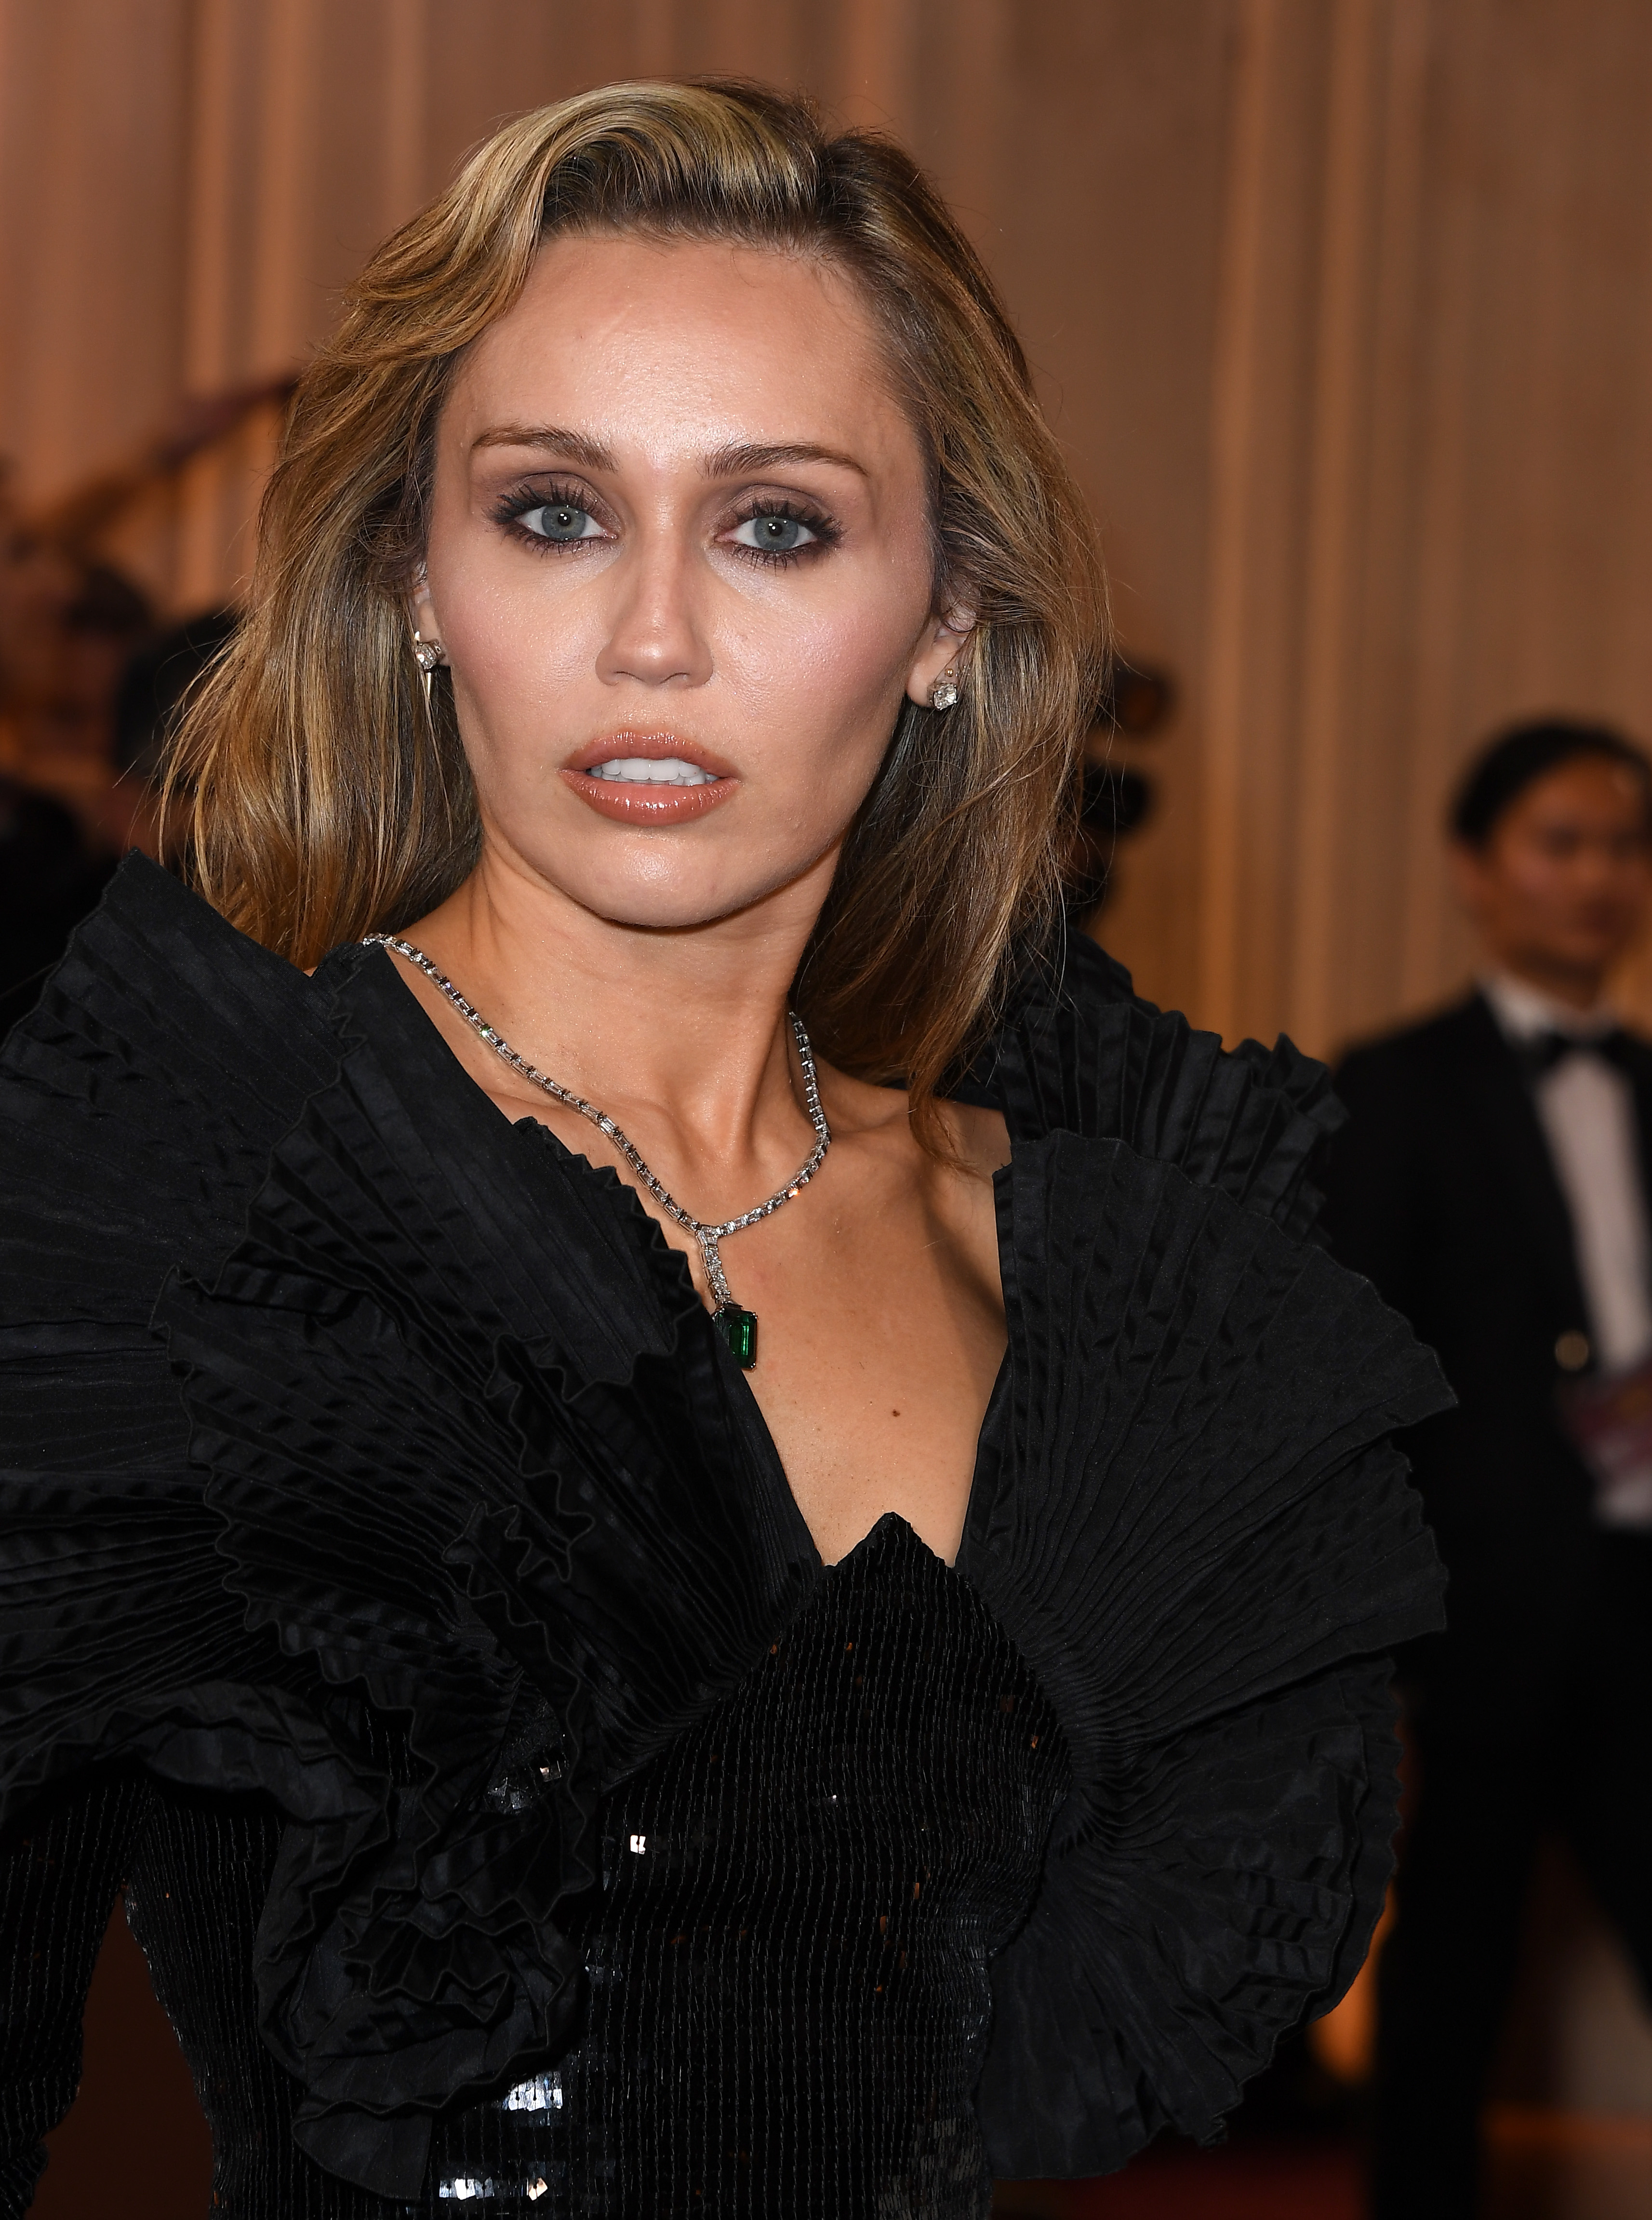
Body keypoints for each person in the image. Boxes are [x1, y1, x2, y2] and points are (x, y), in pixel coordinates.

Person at [0, 82, 1446, 2219]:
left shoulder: (1083, 1303)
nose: (652, 635)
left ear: (945, 617)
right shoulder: (161, 1234)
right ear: (415, 580)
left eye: (775, 524)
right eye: (553, 514)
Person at [1324, 720, 1652, 2220]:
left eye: (1624, 846)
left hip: (1648, 1592)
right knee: (1455, 1956)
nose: (1597, 877)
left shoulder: (1649, 1086)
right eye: (1560, 841)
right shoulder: (1392, 1090)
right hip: (1488, 1597)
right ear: (1475, 869)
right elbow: (1356, 1361)